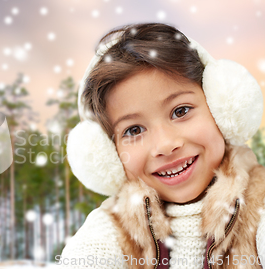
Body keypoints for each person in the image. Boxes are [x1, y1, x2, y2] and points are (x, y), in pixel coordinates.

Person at [58, 23, 265, 269]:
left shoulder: (258, 202)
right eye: (134, 130)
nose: (165, 145)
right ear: (109, 153)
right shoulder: (112, 229)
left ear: (220, 107)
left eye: (181, 111)